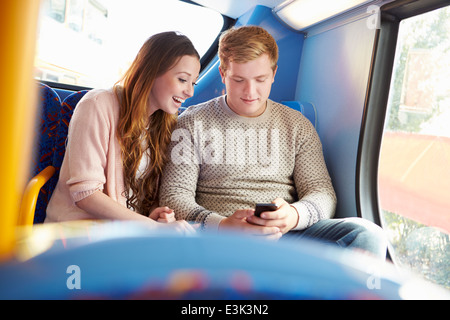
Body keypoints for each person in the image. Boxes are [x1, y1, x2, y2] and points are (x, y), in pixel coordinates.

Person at [159, 26, 387, 258]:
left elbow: (322, 192)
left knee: (367, 235)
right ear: (222, 74)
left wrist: (294, 216)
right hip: (220, 240)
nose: (250, 91)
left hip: (289, 238)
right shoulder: (191, 123)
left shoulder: (297, 126)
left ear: (274, 73)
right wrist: (223, 225)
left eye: (260, 79)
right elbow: (174, 196)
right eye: (239, 80)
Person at [46, 32, 200, 235]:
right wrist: (151, 227)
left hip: (125, 235)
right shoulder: (97, 104)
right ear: (152, 71)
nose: (190, 92)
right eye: (182, 80)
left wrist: (157, 215)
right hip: (76, 234)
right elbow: (85, 194)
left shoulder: (163, 124)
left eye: (193, 83)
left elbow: (143, 198)